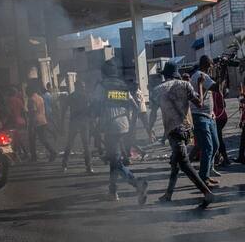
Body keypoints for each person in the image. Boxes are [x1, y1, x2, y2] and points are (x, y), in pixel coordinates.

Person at [154, 62, 215, 207]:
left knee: (184, 163)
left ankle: (207, 194)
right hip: (187, 130)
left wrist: (149, 128)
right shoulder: (186, 85)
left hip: (173, 131)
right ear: (177, 73)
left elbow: (153, 112)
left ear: (165, 75)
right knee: (175, 162)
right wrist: (200, 85)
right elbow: (199, 104)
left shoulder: (158, 89)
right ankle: (168, 194)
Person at [93, 60, 148, 203]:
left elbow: (95, 106)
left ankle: (137, 184)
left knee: (116, 161)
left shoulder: (102, 85)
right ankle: (113, 192)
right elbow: (135, 107)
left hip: (110, 127)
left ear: (104, 72)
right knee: (114, 159)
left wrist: (95, 124)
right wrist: (131, 123)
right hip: (124, 126)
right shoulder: (123, 86)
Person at [191, 56, 219, 186]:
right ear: (209, 65)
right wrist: (221, 71)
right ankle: (203, 177)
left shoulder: (203, 76)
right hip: (200, 115)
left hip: (208, 115)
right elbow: (218, 88)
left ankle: (206, 173)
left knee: (215, 145)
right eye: (212, 66)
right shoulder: (201, 76)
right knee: (208, 147)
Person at [61, 79, 94, 173]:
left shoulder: (71, 96)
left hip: (75, 122)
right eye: (82, 86)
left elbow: (64, 109)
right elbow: (91, 110)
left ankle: (64, 165)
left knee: (70, 144)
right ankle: (88, 167)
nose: (84, 88)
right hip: (83, 122)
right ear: (78, 87)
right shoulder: (86, 96)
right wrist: (92, 120)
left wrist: (62, 122)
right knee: (85, 145)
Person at [27, 81, 56, 162]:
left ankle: (34, 157)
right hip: (43, 120)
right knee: (43, 139)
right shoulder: (40, 97)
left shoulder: (31, 99)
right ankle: (52, 152)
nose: (26, 92)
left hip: (36, 121)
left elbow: (33, 112)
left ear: (30, 91)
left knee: (32, 140)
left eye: (26, 91)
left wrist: (31, 125)